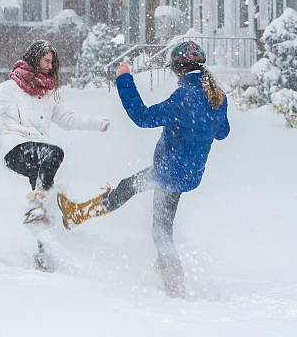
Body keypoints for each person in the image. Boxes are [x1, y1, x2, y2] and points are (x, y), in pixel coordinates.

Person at [57, 41, 230, 297]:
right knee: (130, 187)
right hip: (187, 172)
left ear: (178, 69)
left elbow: (142, 116)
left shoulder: (184, 97)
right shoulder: (217, 97)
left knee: (160, 231)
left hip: (169, 174)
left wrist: (124, 79)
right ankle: (80, 215)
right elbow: (223, 132)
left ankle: (174, 284)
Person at [0, 40, 110, 270]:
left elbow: (69, 120)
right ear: (35, 58)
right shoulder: (10, 88)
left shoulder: (50, 93)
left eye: (52, 62)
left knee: (48, 204)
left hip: (38, 155)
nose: (50, 66)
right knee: (54, 154)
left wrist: (99, 123)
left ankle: (43, 254)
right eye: (46, 61)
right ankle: (37, 204)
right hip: (15, 149)